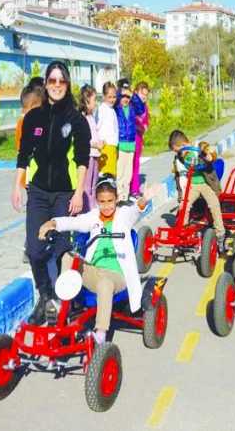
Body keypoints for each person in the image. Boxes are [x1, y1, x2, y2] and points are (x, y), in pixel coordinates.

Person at [37, 176, 162, 344]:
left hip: (117, 276)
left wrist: (144, 199)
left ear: (117, 199)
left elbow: (135, 212)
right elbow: (75, 222)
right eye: (102, 202)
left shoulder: (123, 216)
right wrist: (53, 223)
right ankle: (63, 306)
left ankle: (101, 333)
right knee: (69, 256)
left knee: (105, 284)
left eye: (110, 201)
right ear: (96, 201)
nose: (107, 206)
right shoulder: (94, 217)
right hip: (95, 272)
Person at [12, 60, 90, 325]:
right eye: (52, 80)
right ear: (46, 84)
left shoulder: (77, 120)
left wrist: (79, 193)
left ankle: (63, 301)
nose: (57, 85)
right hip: (38, 194)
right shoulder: (34, 117)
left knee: (61, 248)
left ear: (67, 85)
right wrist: (16, 186)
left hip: (64, 194)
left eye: (62, 81)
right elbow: (23, 155)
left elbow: (82, 160)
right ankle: (45, 296)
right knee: (34, 250)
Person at [167, 130, 227, 252]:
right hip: (192, 185)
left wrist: (210, 156)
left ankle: (220, 234)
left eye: (177, 151)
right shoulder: (179, 158)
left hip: (205, 183)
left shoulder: (199, 146)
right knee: (184, 205)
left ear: (184, 146)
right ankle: (182, 233)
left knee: (214, 204)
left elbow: (211, 151)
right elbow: (177, 174)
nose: (177, 154)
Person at [15, 82, 44, 263]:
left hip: (37, 176)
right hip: (31, 177)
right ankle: (30, 246)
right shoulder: (24, 123)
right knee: (35, 212)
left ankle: (37, 243)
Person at [114, 78, 146, 203]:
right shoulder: (116, 108)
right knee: (120, 172)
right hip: (121, 144)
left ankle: (126, 195)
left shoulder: (132, 107)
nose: (125, 99)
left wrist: (132, 95)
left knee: (128, 173)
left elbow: (141, 108)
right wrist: (121, 92)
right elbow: (116, 98)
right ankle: (120, 195)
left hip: (131, 144)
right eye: (123, 96)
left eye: (128, 97)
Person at [79, 84, 102, 210]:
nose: (96, 103)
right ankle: (86, 208)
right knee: (87, 185)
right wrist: (95, 144)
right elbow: (83, 140)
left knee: (94, 183)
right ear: (86, 100)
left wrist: (99, 142)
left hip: (95, 154)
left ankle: (93, 207)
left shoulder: (91, 117)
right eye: (94, 100)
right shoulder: (82, 118)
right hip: (87, 155)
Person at [130, 82, 150, 199]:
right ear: (136, 93)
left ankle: (135, 189)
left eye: (146, 95)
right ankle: (128, 189)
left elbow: (146, 121)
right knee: (128, 165)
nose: (143, 97)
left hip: (138, 139)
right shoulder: (131, 106)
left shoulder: (145, 108)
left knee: (136, 164)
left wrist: (144, 128)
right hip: (130, 139)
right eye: (142, 94)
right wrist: (137, 127)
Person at [96, 81, 118, 177]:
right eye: (109, 97)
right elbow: (97, 126)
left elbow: (115, 128)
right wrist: (98, 141)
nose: (112, 100)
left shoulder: (112, 110)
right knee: (105, 174)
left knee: (112, 173)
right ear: (104, 96)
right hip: (105, 147)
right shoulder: (102, 109)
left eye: (114, 97)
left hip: (112, 146)